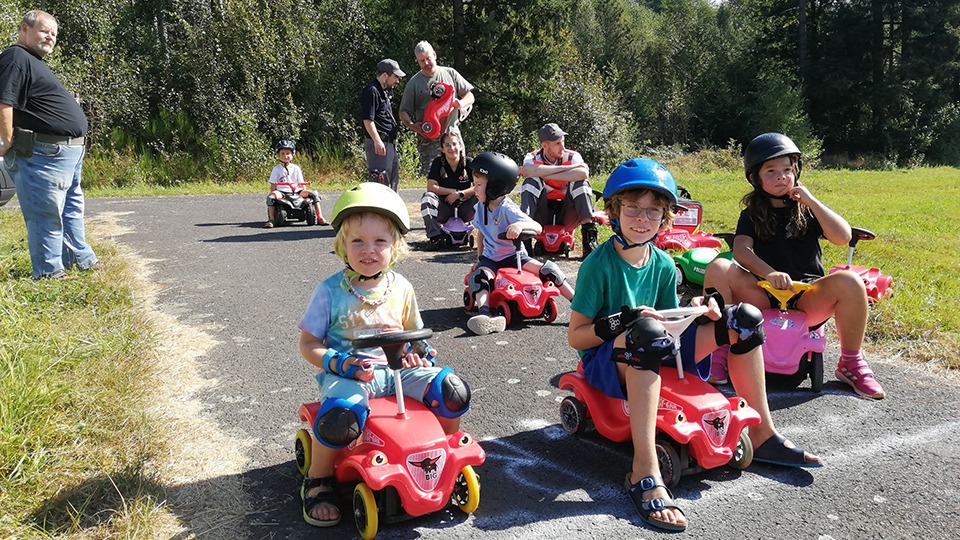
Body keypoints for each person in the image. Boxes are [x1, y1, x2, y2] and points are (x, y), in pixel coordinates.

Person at [567, 158, 821, 532]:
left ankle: (762, 433)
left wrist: (701, 311)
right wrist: (626, 319)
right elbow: (577, 337)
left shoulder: (665, 265)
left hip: (654, 344)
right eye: (632, 209)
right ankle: (644, 469)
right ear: (614, 211)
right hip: (609, 359)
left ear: (665, 217)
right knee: (647, 334)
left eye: (653, 211)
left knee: (744, 319)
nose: (642, 218)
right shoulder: (597, 265)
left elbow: (670, 320)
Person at [297, 182, 472, 527]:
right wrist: (339, 362)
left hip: (397, 371)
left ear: (396, 246)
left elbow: (415, 334)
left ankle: (445, 454)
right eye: (358, 241)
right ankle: (318, 480)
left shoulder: (401, 287)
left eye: (380, 241)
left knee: (452, 390)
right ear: (342, 245)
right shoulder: (330, 291)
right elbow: (308, 344)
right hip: (349, 374)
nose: (369, 250)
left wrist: (420, 354)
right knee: (340, 418)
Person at [703, 132, 884, 399]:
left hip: (807, 296)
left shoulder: (808, 209)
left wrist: (811, 201)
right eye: (772, 171)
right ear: (755, 177)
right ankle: (716, 351)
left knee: (851, 280)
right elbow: (741, 250)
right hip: (762, 293)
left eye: (788, 169)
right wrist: (769, 273)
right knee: (718, 267)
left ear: (797, 172)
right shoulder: (751, 213)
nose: (781, 176)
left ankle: (850, 362)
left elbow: (843, 237)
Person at [0, 10, 100, 280]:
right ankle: (49, 273)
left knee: (70, 209)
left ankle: (81, 259)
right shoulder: (15, 57)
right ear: (24, 29)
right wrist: (6, 141)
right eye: (45, 31)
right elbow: (4, 102)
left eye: (54, 34)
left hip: (66, 152)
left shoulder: (32, 61)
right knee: (45, 214)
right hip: (43, 152)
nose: (50, 37)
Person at [466, 151, 575, 335]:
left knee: (550, 270)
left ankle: (580, 305)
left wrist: (519, 225)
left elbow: (537, 227)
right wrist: (480, 259)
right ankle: (485, 314)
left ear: (494, 187)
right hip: (491, 259)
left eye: (478, 185)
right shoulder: (480, 207)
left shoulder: (507, 208)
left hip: (515, 257)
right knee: (479, 277)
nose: (474, 189)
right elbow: (481, 234)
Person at [520, 123, 599, 258]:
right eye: (557, 143)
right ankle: (524, 239)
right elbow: (527, 171)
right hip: (542, 213)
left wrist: (542, 172)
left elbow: (582, 174)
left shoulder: (572, 156)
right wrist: (566, 170)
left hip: (567, 213)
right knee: (531, 182)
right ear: (544, 146)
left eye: (563, 142)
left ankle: (589, 243)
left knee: (581, 183)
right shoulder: (532, 157)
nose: (562, 147)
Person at [398, 41, 475, 177]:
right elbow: (403, 111)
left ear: (434, 54)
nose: (426, 63)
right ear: (418, 61)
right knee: (432, 176)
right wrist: (412, 125)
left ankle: (460, 198)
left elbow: (470, 96)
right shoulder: (414, 83)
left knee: (460, 175)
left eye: (428, 58)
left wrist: (461, 103)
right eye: (422, 61)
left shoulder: (450, 73)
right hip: (428, 138)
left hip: (452, 134)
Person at [420, 129, 477, 248]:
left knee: (482, 197)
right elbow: (431, 187)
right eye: (447, 145)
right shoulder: (438, 163)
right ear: (442, 149)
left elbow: (479, 186)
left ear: (460, 146)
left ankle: (487, 236)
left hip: (464, 208)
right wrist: (452, 192)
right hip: (444, 208)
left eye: (454, 144)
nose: (452, 148)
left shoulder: (469, 163)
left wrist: (460, 194)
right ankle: (435, 238)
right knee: (427, 198)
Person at [361, 58, 405, 191]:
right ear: (385, 75)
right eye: (395, 77)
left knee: (392, 181)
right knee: (379, 182)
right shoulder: (372, 90)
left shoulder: (383, 91)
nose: (397, 81)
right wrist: (377, 141)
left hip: (389, 144)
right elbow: (368, 119)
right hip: (380, 144)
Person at [264, 140, 327, 228]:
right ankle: (272, 219)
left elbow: (301, 183)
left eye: (288, 153)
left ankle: (320, 217)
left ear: (292, 154)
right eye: (282, 153)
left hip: (297, 191)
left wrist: (304, 193)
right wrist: (273, 193)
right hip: (282, 193)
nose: (285, 156)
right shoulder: (276, 169)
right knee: (271, 197)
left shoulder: (296, 168)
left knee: (314, 194)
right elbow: (273, 185)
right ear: (278, 155)